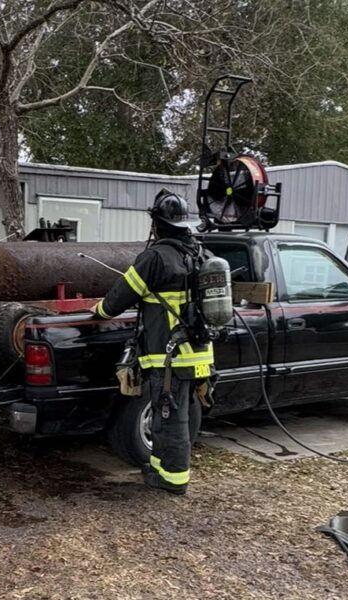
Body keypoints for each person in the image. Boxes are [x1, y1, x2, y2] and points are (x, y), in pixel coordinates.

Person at [92, 190, 214, 496]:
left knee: (169, 419)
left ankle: (173, 480)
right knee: (173, 415)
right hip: (198, 354)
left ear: (157, 224)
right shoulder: (201, 255)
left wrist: (99, 311)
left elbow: (119, 298)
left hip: (169, 356)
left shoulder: (155, 258)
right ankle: (158, 469)